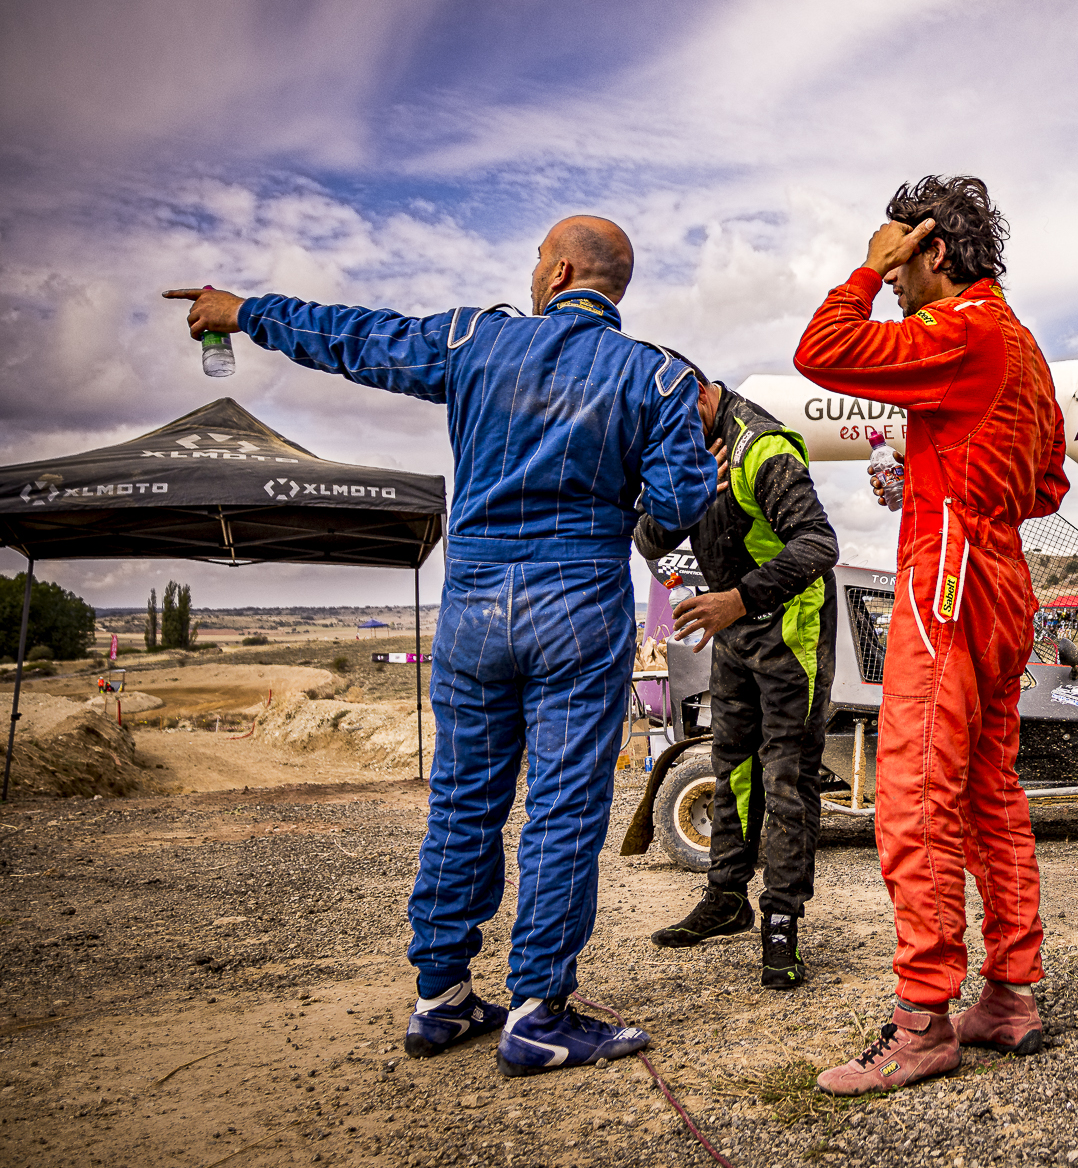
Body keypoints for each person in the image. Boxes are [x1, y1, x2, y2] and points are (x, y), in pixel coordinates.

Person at [165, 217, 716, 1077]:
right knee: (564, 808)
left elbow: (358, 338)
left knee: (463, 799)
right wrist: (625, 512)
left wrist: (244, 311)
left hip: (472, 606)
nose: (533, 272)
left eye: (538, 260)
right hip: (577, 601)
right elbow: (681, 500)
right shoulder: (659, 375)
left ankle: (441, 997)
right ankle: (538, 1011)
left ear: (562, 268)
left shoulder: (473, 339)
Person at [793, 176, 1068, 1094]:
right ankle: (1012, 994)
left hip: (944, 578)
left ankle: (921, 1023)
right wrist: (943, 469)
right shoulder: (1023, 347)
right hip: (1001, 577)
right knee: (988, 785)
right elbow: (1047, 486)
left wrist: (863, 271)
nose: (894, 277)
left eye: (899, 258)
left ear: (931, 249)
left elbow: (822, 348)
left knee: (914, 792)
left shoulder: (962, 329)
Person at [633, 365, 839, 989]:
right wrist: (686, 500)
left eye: (671, 419)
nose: (664, 436)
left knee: (785, 778)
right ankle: (726, 899)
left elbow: (819, 543)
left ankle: (782, 922)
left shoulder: (762, 447)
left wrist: (737, 600)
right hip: (734, 632)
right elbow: (646, 538)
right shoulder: (680, 449)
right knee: (732, 769)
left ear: (698, 391)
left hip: (789, 633)